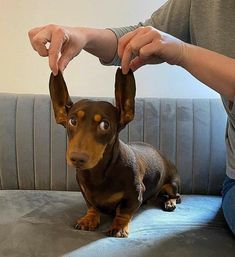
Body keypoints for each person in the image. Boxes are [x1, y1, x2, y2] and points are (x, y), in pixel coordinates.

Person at [28, 0, 235, 235]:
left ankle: (167, 195)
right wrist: (81, 35)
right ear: (62, 114)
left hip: (154, 182)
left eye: (104, 125)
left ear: (125, 113)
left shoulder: (128, 167)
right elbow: (136, 40)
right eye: (74, 121)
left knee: (168, 183)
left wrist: (182, 52)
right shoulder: (200, 4)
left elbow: (135, 193)